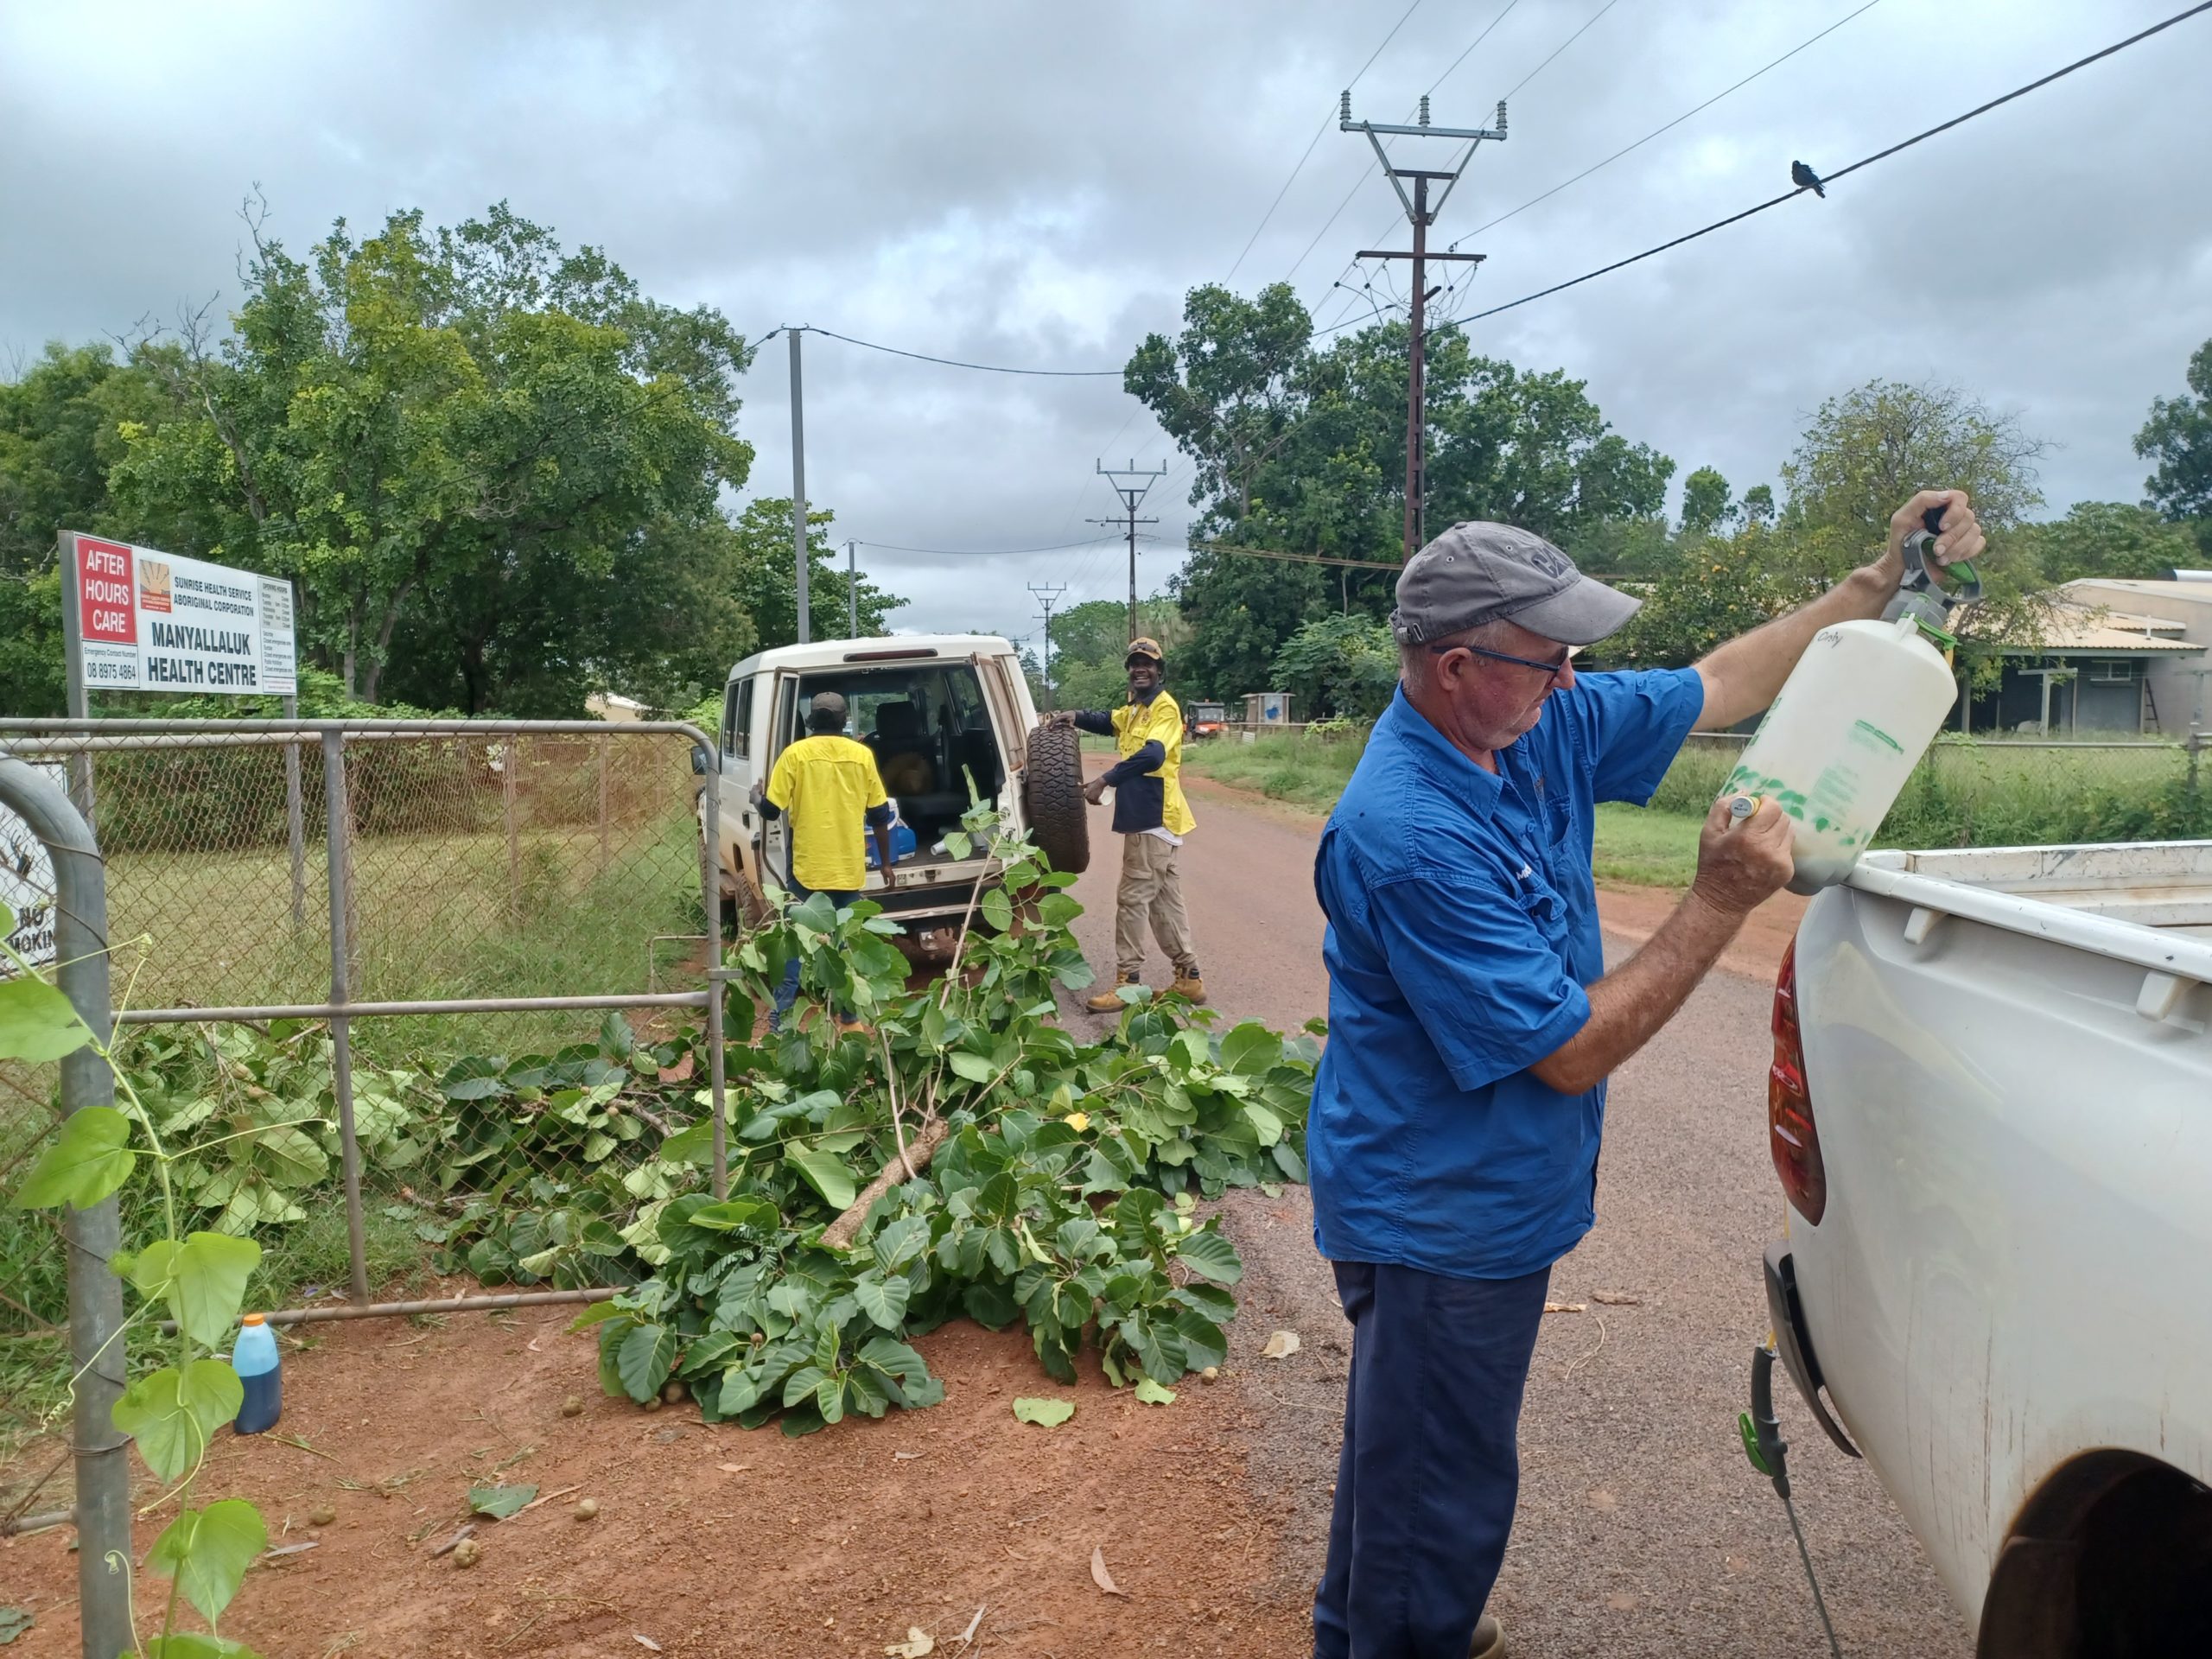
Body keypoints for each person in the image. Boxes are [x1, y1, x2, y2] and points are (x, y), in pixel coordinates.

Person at [1308, 493, 1984, 1659]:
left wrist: (1876, 582)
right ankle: (1401, 1632)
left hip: (1477, 1197)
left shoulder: (1530, 721)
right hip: (1440, 1219)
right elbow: (1569, 1051)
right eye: (1552, 656)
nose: (1575, 678)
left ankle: (1376, 1626)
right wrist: (1721, 897)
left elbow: (1721, 682)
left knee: (1409, 1461)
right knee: (1440, 1490)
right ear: (1459, 664)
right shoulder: (1410, 830)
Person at [1049, 637, 1205, 1007]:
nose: (1140, 668)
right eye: (1135, 663)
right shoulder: (1136, 709)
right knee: (1164, 901)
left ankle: (1127, 981)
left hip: (1154, 816)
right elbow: (1109, 721)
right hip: (1145, 818)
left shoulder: (1164, 708)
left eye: (1147, 664)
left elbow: (1153, 755)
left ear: (1159, 671)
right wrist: (1076, 716)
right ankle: (1189, 978)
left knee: (1132, 898)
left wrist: (1106, 779)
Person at [753, 690, 898, 1031]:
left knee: (794, 945)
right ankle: (848, 1020)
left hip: (806, 870)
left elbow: (772, 810)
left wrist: (756, 795)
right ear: (845, 721)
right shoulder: (862, 756)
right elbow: (879, 814)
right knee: (844, 945)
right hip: (848, 869)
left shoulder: (794, 755)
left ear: (810, 721)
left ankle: (781, 1020)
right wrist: (887, 862)